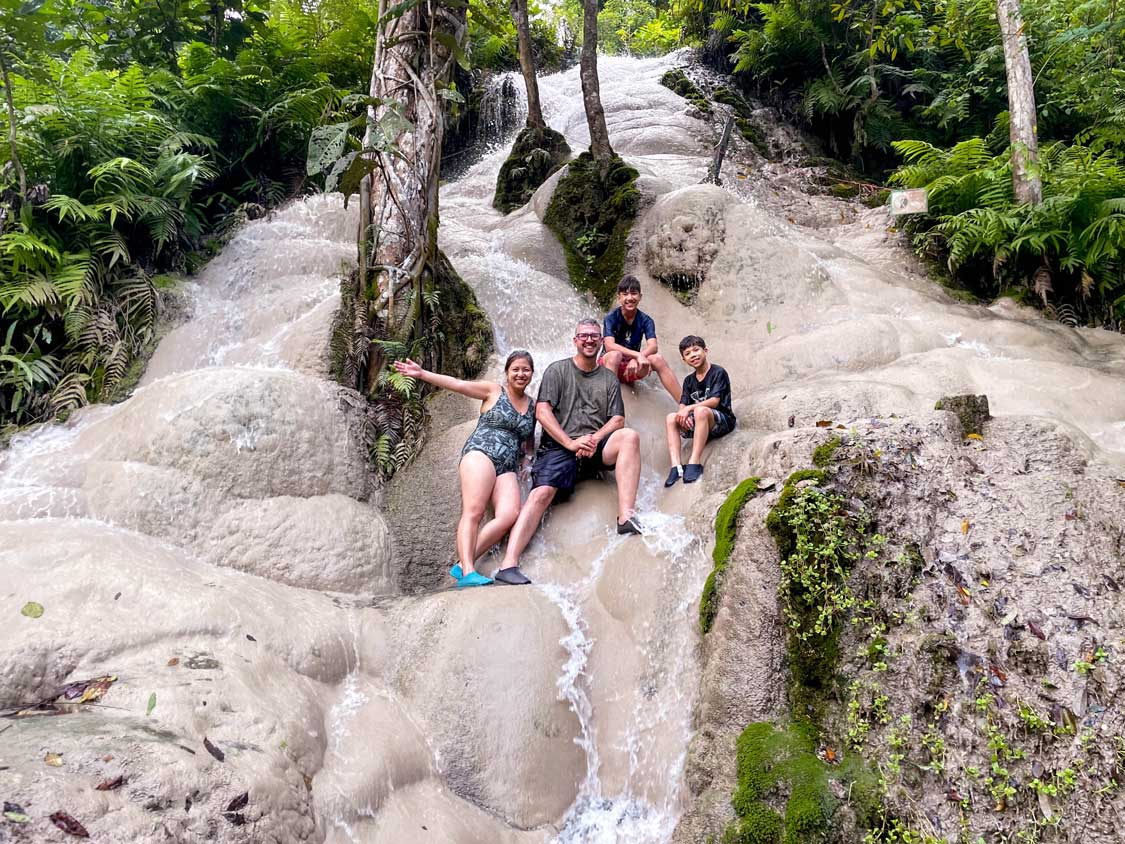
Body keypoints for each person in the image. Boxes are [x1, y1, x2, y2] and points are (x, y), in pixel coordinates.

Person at [495, 319, 644, 585]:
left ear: (601, 341)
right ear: (575, 340)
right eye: (584, 336)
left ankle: (626, 516)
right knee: (541, 493)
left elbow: (617, 420)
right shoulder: (558, 371)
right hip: (560, 447)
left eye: (594, 336)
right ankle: (508, 565)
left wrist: (594, 439)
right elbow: (543, 411)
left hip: (595, 446)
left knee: (629, 437)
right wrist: (571, 443)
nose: (589, 340)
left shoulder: (608, 378)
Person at [392, 351, 536, 587]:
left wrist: (527, 460)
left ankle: (461, 564)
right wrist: (422, 373)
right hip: (481, 453)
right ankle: (469, 572)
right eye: (516, 369)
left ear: (531, 373)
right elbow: (458, 385)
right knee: (474, 511)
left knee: (510, 514)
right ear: (507, 372)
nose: (521, 374)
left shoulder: (532, 405)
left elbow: (528, 440)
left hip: (508, 464)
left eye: (526, 370)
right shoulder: (493, 391)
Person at [664, 335, 736, 486]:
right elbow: (683, 404)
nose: (693, 355)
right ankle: (676, 467)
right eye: (688, 353)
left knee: (700, 411)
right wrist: (682, 413)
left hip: (722, 421)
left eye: (696, 350)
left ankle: (694, 461)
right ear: (684, 360)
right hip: (700, 423)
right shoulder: (689, 381)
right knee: (671, 417)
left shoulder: (718, 372)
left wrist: (689, 409)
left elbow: (714, 401)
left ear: (705, 351)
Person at [599, 275, 681, 397]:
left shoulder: (646, 320)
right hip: (608, 365)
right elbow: (609, 345)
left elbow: (653, 347)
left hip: (631, 368)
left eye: (634, 293)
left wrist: (636, 359)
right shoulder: (611, 318)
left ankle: (685, 404)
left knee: (658, 359)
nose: (630, 298)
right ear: (619, 298)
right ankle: (610, 405)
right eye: (625, 294)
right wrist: (637, 355)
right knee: (615, 355)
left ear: (640, 297)